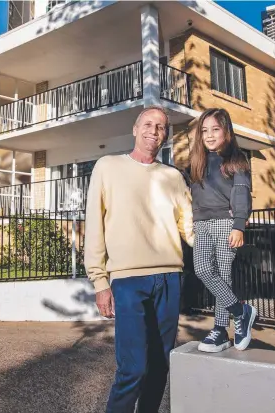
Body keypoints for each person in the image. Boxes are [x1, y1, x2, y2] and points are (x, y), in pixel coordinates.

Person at [84, 105, 194, 413]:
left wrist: (221, 237)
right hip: (128, 281)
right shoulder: (107, 166)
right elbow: (94, 224)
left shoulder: (173, 176)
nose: (153, 130)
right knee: (133, 368)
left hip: (170, 278)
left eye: (160, 127)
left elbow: (189, 226)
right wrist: (99, 281)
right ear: (135, 129)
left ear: (165, 136)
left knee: (160, 367)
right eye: (148, 124)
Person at [188, 108, 256, 353]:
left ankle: (220, 329)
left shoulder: (236, 160)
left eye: (215, 129)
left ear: (226, 131)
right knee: (203, 269)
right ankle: (241, 311)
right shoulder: (198, 162)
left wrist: (239, 224)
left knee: (223, 275)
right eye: (204, 130)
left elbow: (241, 193)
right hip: (202, 225)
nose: (209, 135)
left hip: (226, 224)